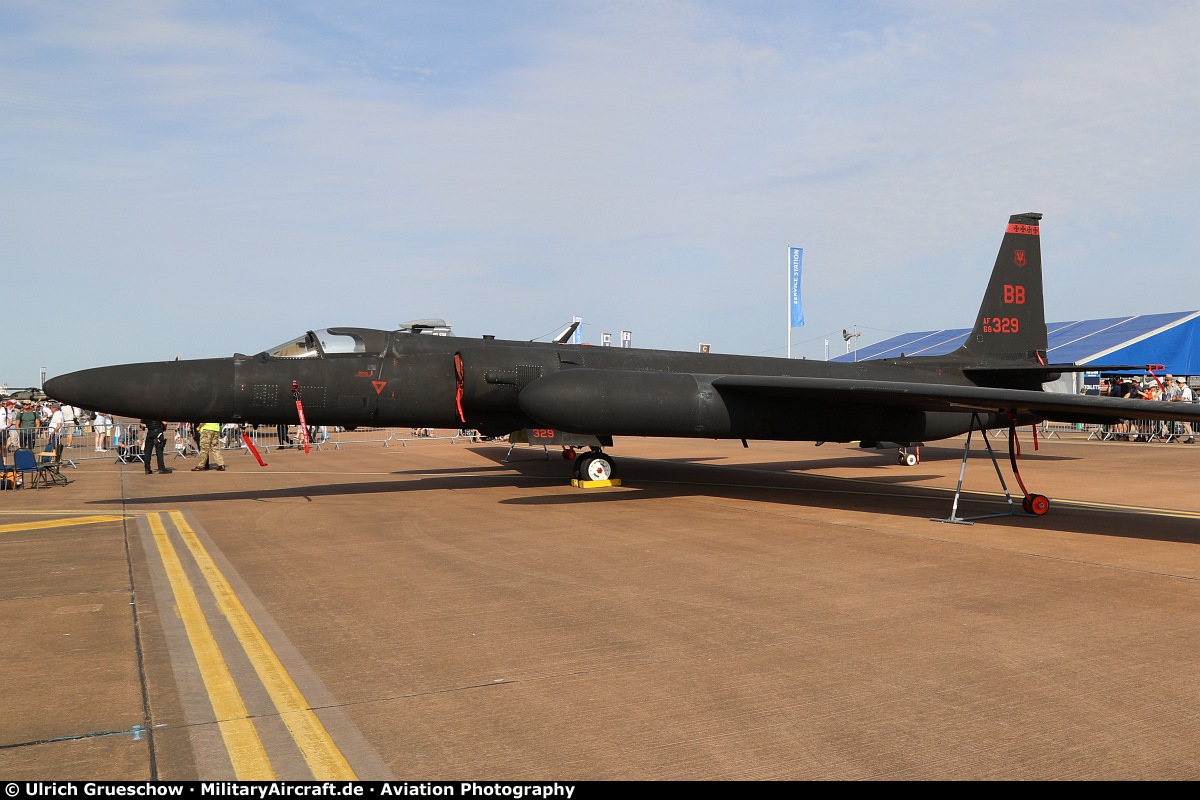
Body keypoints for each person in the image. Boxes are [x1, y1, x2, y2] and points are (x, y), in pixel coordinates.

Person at [1169, 378, 1195, 443]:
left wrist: (1174, 400)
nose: (1178, 384)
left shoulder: (1186, 390)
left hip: (1186, 407)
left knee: (1185, 423)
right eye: (1178, 382)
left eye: (1180, 383)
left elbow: (1182, 398)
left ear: (1184, 383)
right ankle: (1191, 437)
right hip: (1184, 407)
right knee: (1186, 423)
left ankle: (1191, 437)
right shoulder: (1182, 390)